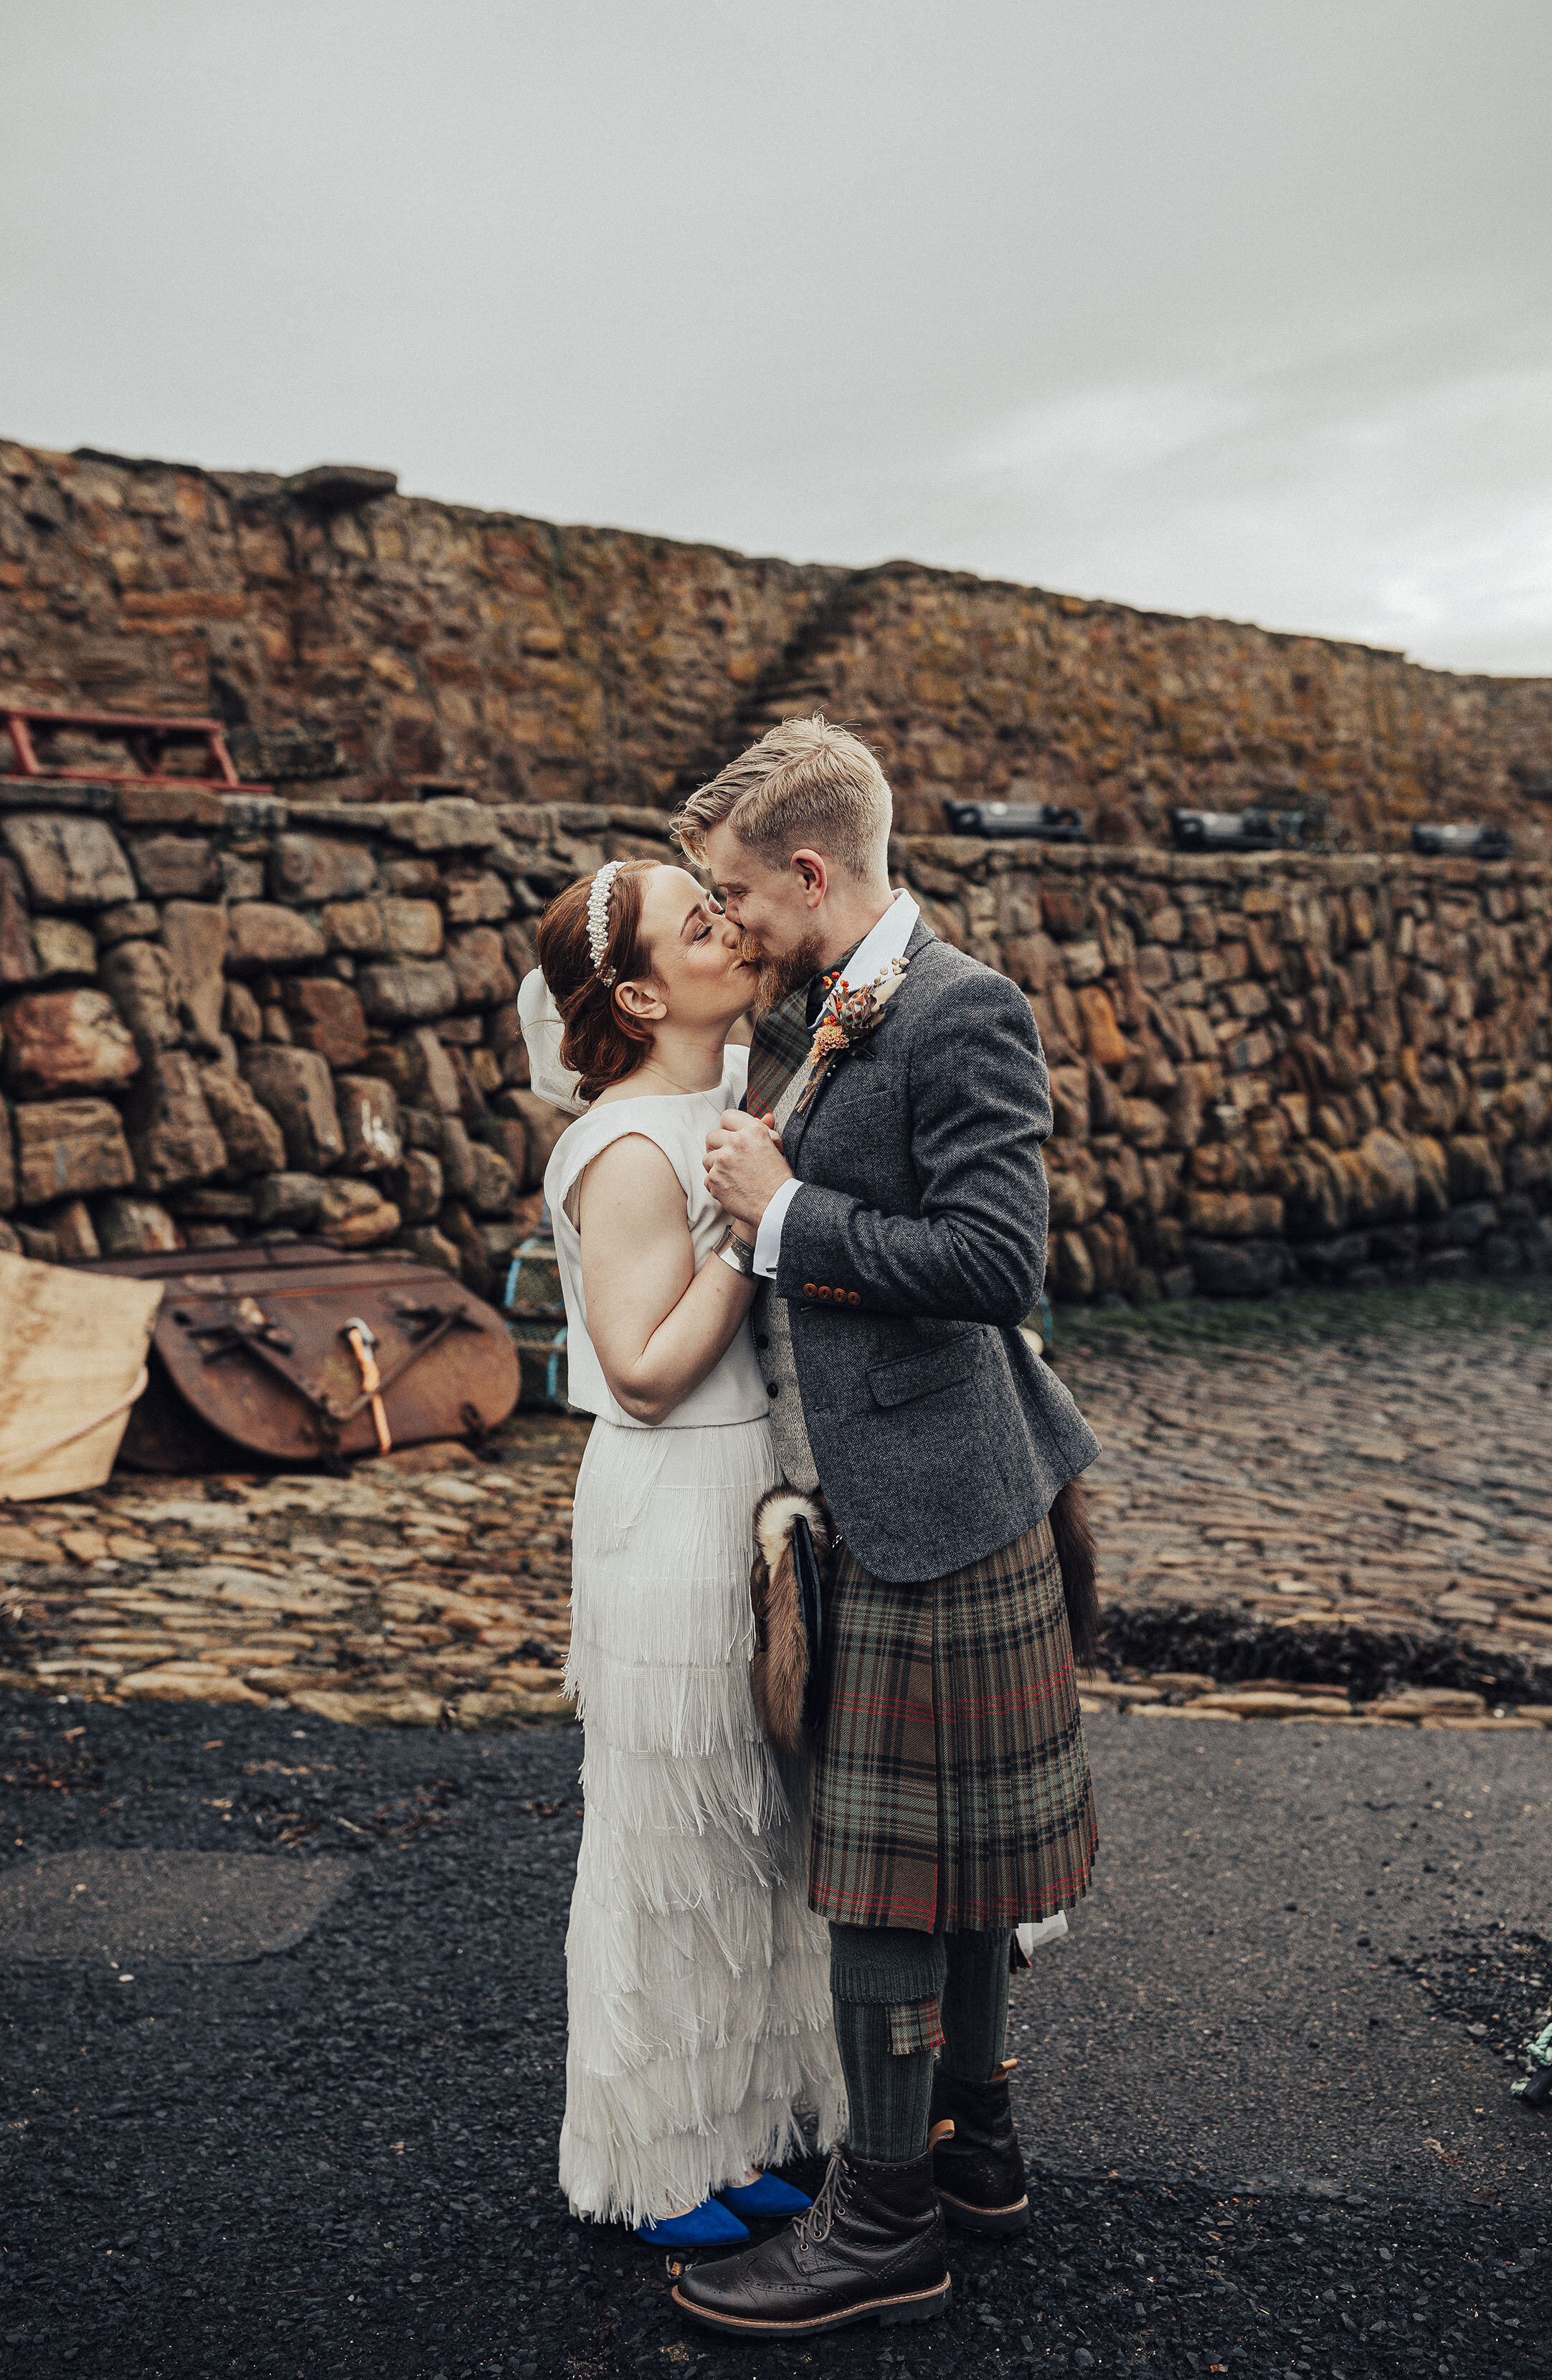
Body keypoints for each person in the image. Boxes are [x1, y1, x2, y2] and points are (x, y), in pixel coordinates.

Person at [665, 716, 1101, 2338]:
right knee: (966, 1867)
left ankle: (885, 2218)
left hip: (935, 1505)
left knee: (886, 1884)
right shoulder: (847, 1006)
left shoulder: (962, 1008)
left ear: (808, 869)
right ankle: (975, 2145)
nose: (728, 927)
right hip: (902, 1494)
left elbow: (999, 1266)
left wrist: (784, 1213)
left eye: (736, 896)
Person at [518, 856, 845, 2250]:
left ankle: (744, 2129)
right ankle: (650, 2161)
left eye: (719, 907)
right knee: (669, 1845)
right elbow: (643, 1372)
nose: (727, 927)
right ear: (643, 992)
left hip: (746, 1491)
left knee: (758, 1841)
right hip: (667, 1498)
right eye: (695, 921)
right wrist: (758, 1232)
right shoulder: (633, 1146)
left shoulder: (722, 1100)